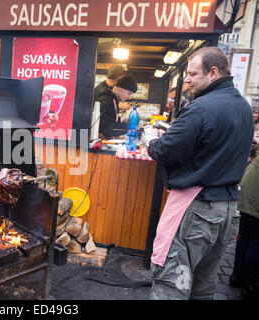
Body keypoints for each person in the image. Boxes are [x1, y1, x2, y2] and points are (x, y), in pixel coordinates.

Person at [144, 46, 254, 300]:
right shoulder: (244, 108)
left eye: (193, 74)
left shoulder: (200, 108)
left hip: (197, 209)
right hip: (226, 210)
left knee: (172, 281)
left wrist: (151, 140)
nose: (188, 80)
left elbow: (166, 151)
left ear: (213, 72)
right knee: (202, 285)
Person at [229, 136, 259, 300]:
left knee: (245, 235)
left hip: (249, 186)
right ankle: (249, 284)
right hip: (256, 195)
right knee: (256, 240)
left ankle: (237, 276)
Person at [94, 73, 138, 139]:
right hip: (83, 138)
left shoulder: (113, 98)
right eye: (129, 93)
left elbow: (109, 118)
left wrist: (121, 121)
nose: (129, 97)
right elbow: (106, 128)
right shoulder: (106, 98)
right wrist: (130, 126)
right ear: (120, 88)